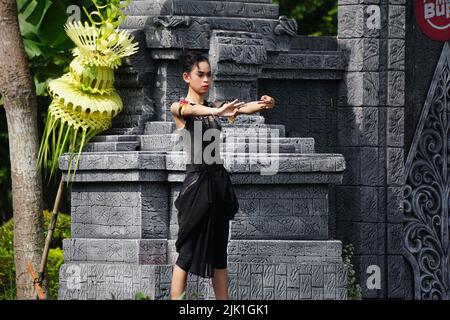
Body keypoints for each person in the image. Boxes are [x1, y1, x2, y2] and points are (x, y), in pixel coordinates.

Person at [169, 50, 275, 300]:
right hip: (196, 187)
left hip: (218, 184)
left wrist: (264, 103)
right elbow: (192, 111)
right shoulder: (179, 107)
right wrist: (218, 113)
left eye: (209, 75)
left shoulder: (214, 107)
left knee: (219, 253)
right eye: (200, 75)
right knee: (187, 252)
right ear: (187, 77)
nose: (206, 80)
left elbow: (242, 108)